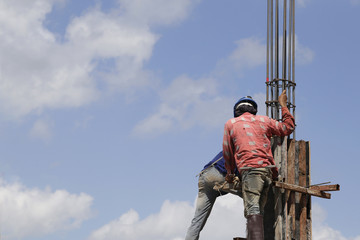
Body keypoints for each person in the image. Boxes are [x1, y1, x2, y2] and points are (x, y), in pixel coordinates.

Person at [222, 90, 295, 240]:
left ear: (237, 111)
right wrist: (283, 105)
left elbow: (228, 152)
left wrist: (229, 174)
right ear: (254, 110)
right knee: (258, 211)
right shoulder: (264, 120)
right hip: (267, 171)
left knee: (252, 208)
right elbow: (288, 128)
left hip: (250, 170)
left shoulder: (231, 124)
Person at [185, 151, 241, 240]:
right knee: (253, 194)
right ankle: (256, 232)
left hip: (205, 175)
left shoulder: (234, 144)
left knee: (198, 220)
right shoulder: (247, 148)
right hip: (219, 174)